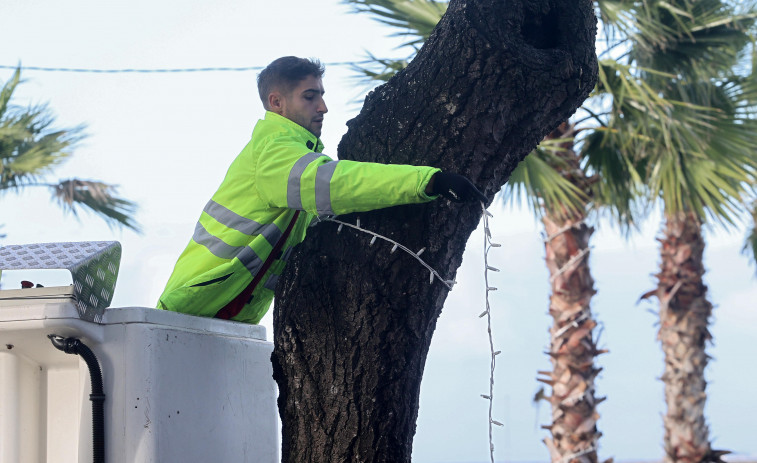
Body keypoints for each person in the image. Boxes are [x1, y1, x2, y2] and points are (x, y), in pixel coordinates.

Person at [157, 56, 485, 324]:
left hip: (215, 312)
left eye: (322, 96)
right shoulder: (275, 152)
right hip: (194, 307)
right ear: (277, 103)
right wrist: (428, 181)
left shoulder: (291, 151)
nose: (323, 107)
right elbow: (340, 183)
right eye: (310, 96)